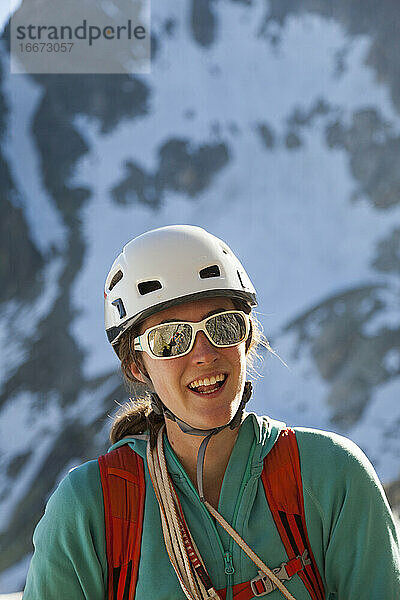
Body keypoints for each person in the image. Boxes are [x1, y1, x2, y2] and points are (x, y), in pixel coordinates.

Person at [23, 225, 400, 600]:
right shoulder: (89, 511)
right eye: (171, 339)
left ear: (246, 337)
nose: (204, 354)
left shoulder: (333, 477)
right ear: (137, 365)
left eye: (222, 326)